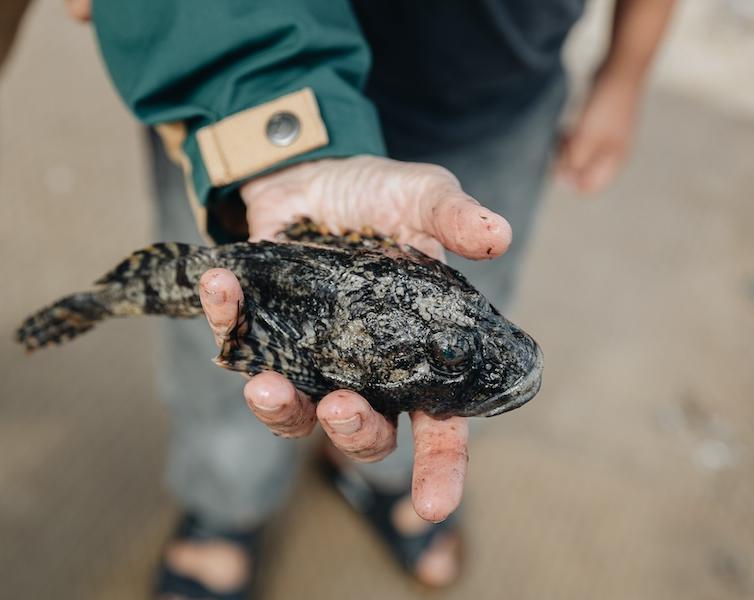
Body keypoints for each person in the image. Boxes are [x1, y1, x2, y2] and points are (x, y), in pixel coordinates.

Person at [56, 0, 674, 597]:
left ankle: (376, 476)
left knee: (453, 302)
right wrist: (270, 142)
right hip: (243, 89)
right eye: (453, 354)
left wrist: (624, 74)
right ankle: (224, 507)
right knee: (219, 353)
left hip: (495, 95)